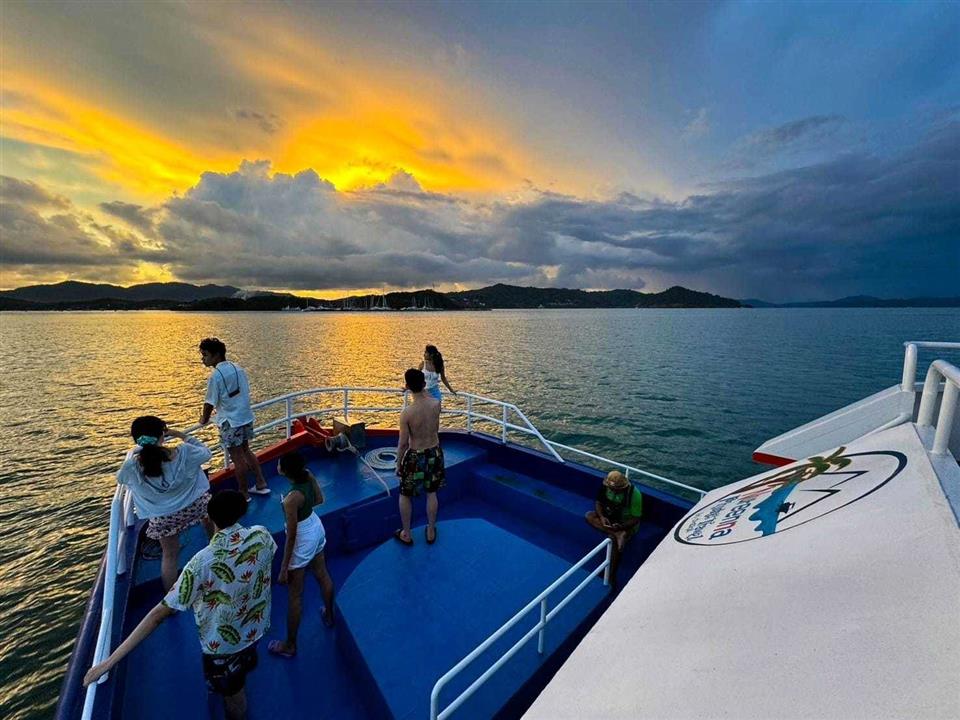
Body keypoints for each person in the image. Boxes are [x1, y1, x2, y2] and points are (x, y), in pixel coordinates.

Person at [84, 491, 277, 720]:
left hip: (223, 647)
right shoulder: (262, 536)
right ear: (242, 512)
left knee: (235, 698)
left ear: (209, 517)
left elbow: (157, 615)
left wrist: (108, 663)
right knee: (240, 673)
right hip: (255, 628)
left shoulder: (200, 564)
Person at [117, 416, 213, 590]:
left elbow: (122, 479)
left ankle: (172, 598)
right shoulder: (184, 452)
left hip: (163, 519)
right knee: (209, 510)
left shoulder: (132, 467)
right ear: (163, 435)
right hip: (195, 507)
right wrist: (180, 434)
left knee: (169, 555)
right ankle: (216, 543)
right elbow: (206, 453)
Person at [268, 451, 336, 658]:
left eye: (280, 464)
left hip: (302, 537)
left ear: (285, 471)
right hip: (315, 527)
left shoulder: (290, 499)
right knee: (322, 574)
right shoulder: (308, 475)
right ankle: (330, 615)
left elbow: (292, 536)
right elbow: (319, 499)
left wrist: (283, 568)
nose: (277, 466)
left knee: (295, 594)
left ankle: (290, 644)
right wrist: (303, 506)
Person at [198, 337, 270, 502]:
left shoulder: (215, 376)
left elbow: (209, 403)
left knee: (237, 458)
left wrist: (203, 419)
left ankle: (243, 493)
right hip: (245, 417)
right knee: (246, 450)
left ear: (216, 355)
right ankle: (260, 482)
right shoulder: (238, 368)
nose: (203, 359)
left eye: (205, 355)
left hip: (230, 421)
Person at [394, 368, 445, 545]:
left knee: (405, 494)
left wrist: (398, 463)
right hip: (434, 452)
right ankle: (430, 530)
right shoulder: (436, 404)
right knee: (432, 493)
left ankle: (406, 534)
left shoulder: (407, 413)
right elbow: (435, 427)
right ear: (424, 384)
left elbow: (403, 443)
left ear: (407, 386)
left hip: (415, 456)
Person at [585, 470, 643, 588]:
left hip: (625, 524)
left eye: (615, 489)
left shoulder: (634, 494)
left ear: (622, 487)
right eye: (611, 488)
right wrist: (602, 517)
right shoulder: (605, 487)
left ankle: (611, 575)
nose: (612, 490)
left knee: (615, 542)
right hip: (610, 518)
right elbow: (598, 502)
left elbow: (636, 518)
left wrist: (622, 526)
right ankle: (617, 533)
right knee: (589, 516)